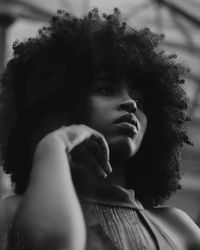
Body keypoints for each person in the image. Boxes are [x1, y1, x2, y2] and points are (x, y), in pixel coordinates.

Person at [0, 7, 200, 250]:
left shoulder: (178, 227)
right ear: (58, 105)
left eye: (141, 100)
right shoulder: (11, 211)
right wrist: (53, 146)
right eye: (106, 89)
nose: (131, 103)